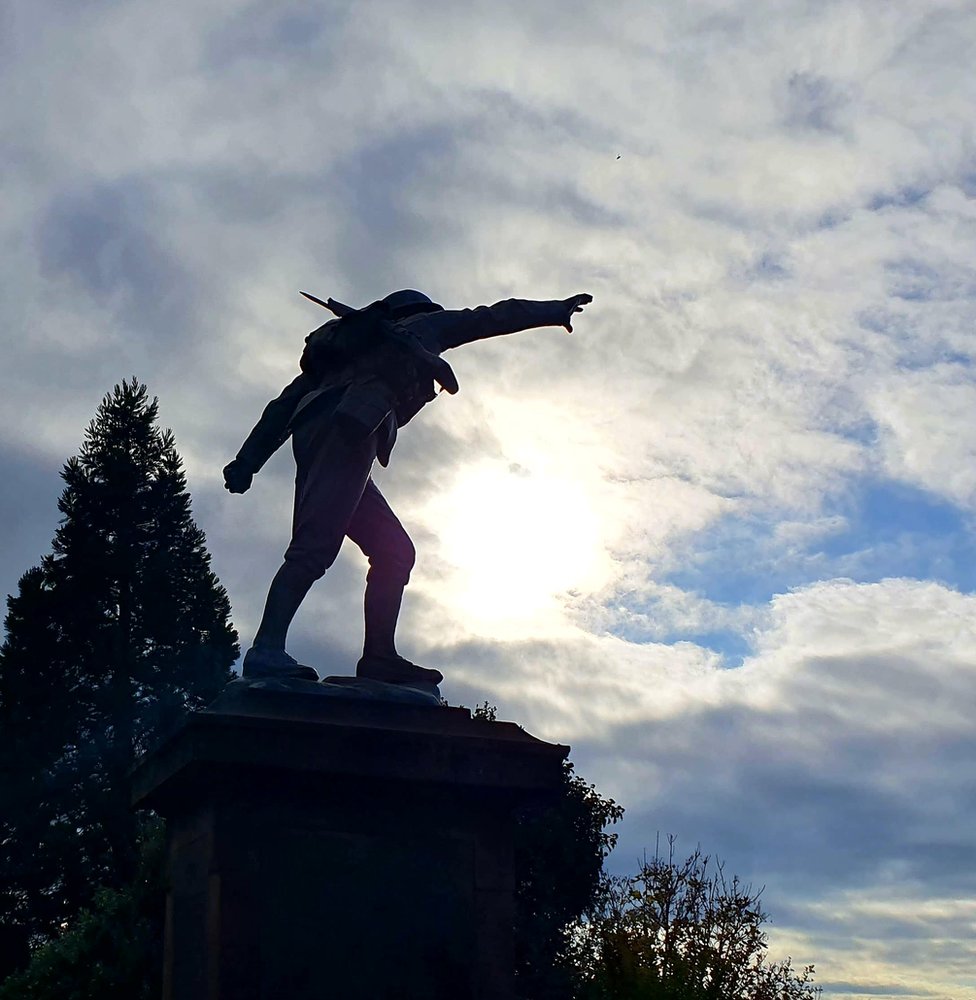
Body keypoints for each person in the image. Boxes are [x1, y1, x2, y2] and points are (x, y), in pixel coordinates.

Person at [224, 288, 593, 686]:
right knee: (314, 548)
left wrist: (249, 460)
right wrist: (554, 310)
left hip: (317, 431)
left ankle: (379, 657)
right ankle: (267, 649)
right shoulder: (426, 327)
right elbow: (491, 316)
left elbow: (282, 405)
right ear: (420, 311)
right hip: (351, 428)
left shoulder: (342, 349)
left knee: (393, 550)